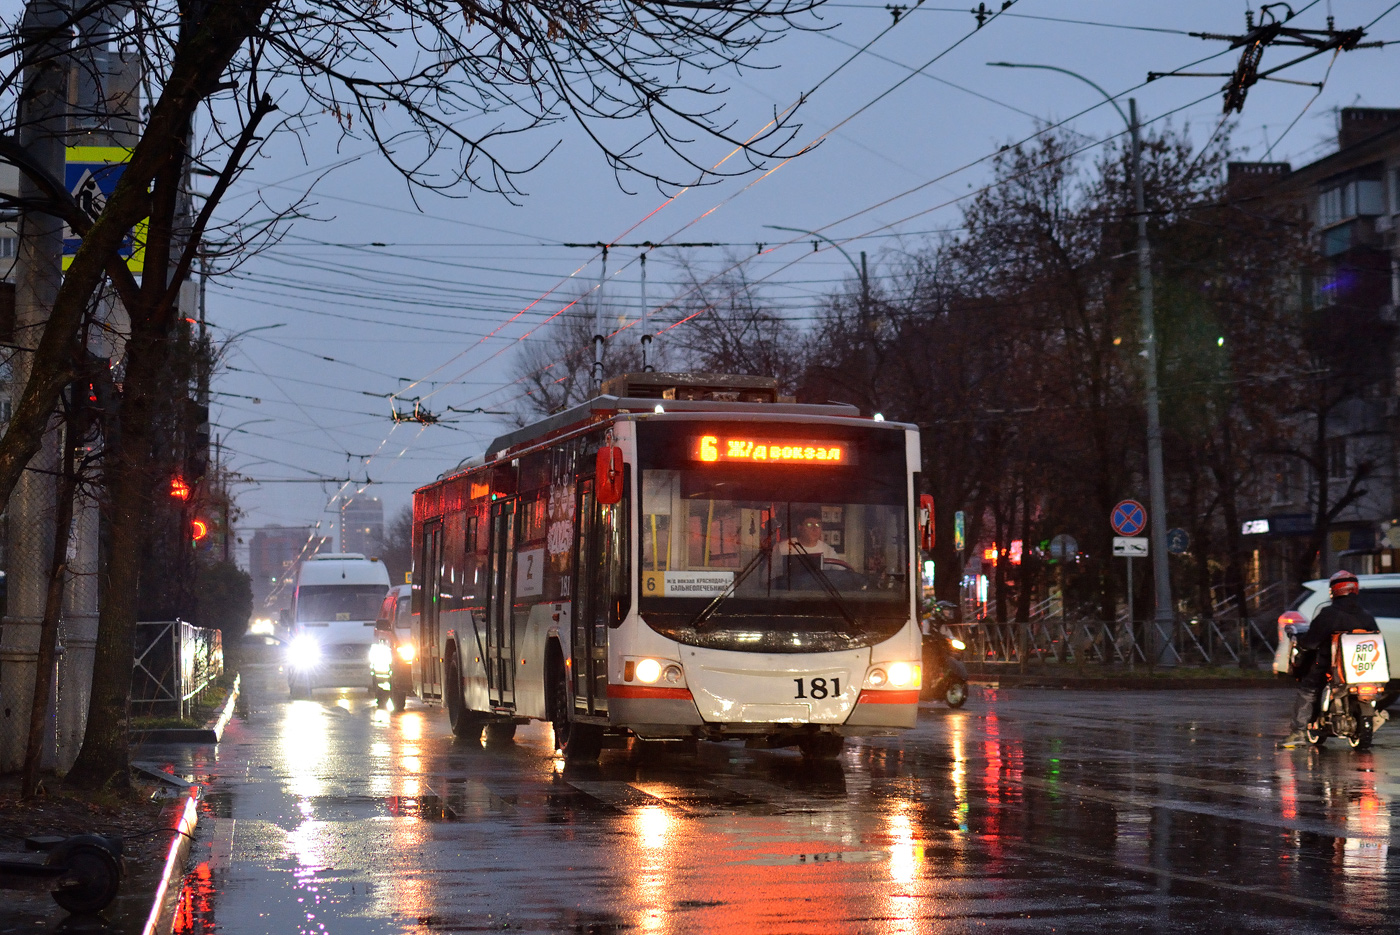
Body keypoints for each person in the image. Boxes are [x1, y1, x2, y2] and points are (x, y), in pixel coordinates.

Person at [1278, 570, 1383, 748]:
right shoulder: (1365, 615)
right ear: (1354, 589)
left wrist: (1301, 643)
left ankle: (1298, 732)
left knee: (1309, 689)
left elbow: (1311, 642)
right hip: (1364, 670)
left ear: (1334, 590)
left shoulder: (1329, 614)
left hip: (1330, 666)